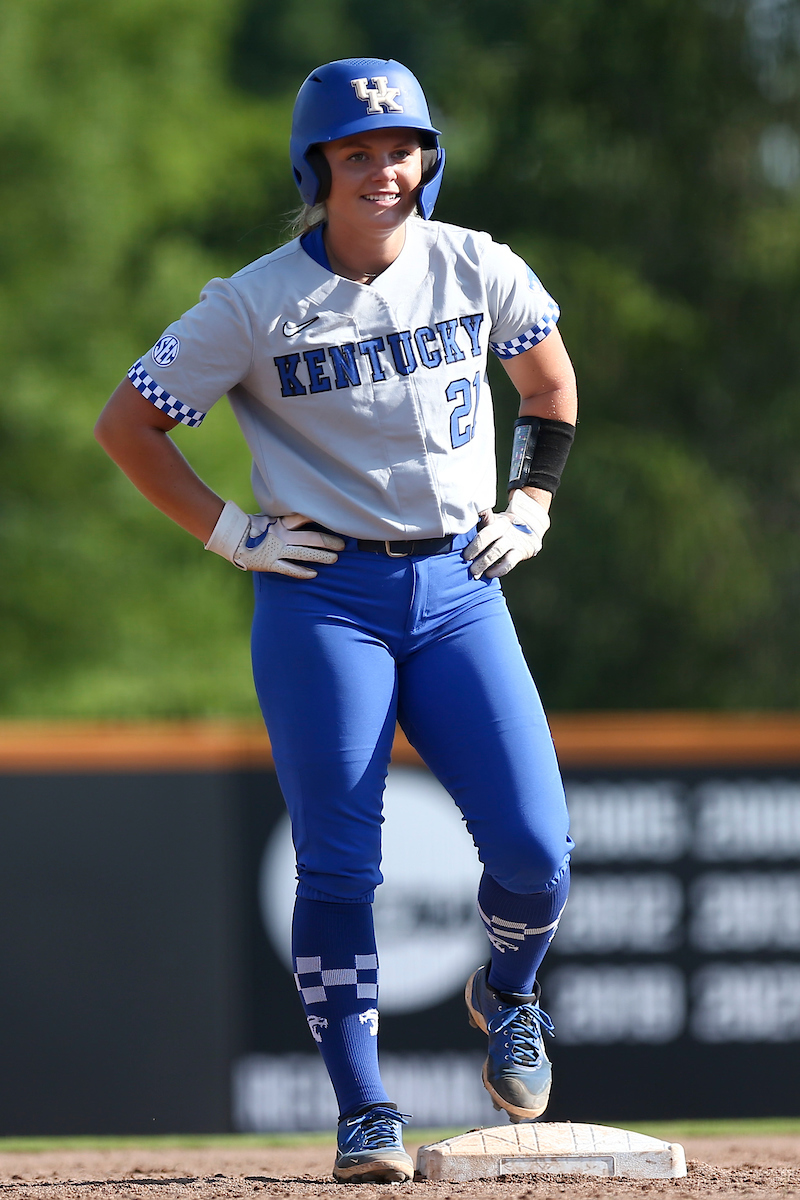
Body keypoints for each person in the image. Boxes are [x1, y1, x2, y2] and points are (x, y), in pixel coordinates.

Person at [95, 57, 577, 1184]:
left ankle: (509, 993)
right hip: (324, 597)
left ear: (428, 161)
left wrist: (532, 504)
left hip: (458, 586)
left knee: (535, 852)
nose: (383, 171)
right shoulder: (252, 302)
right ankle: (365, 1109)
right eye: (357, 153)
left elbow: (548, 388)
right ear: (315, 169)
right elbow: (128, 427)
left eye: (401, 149)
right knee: (339, 864)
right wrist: (231, 534)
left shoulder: (476, 264)